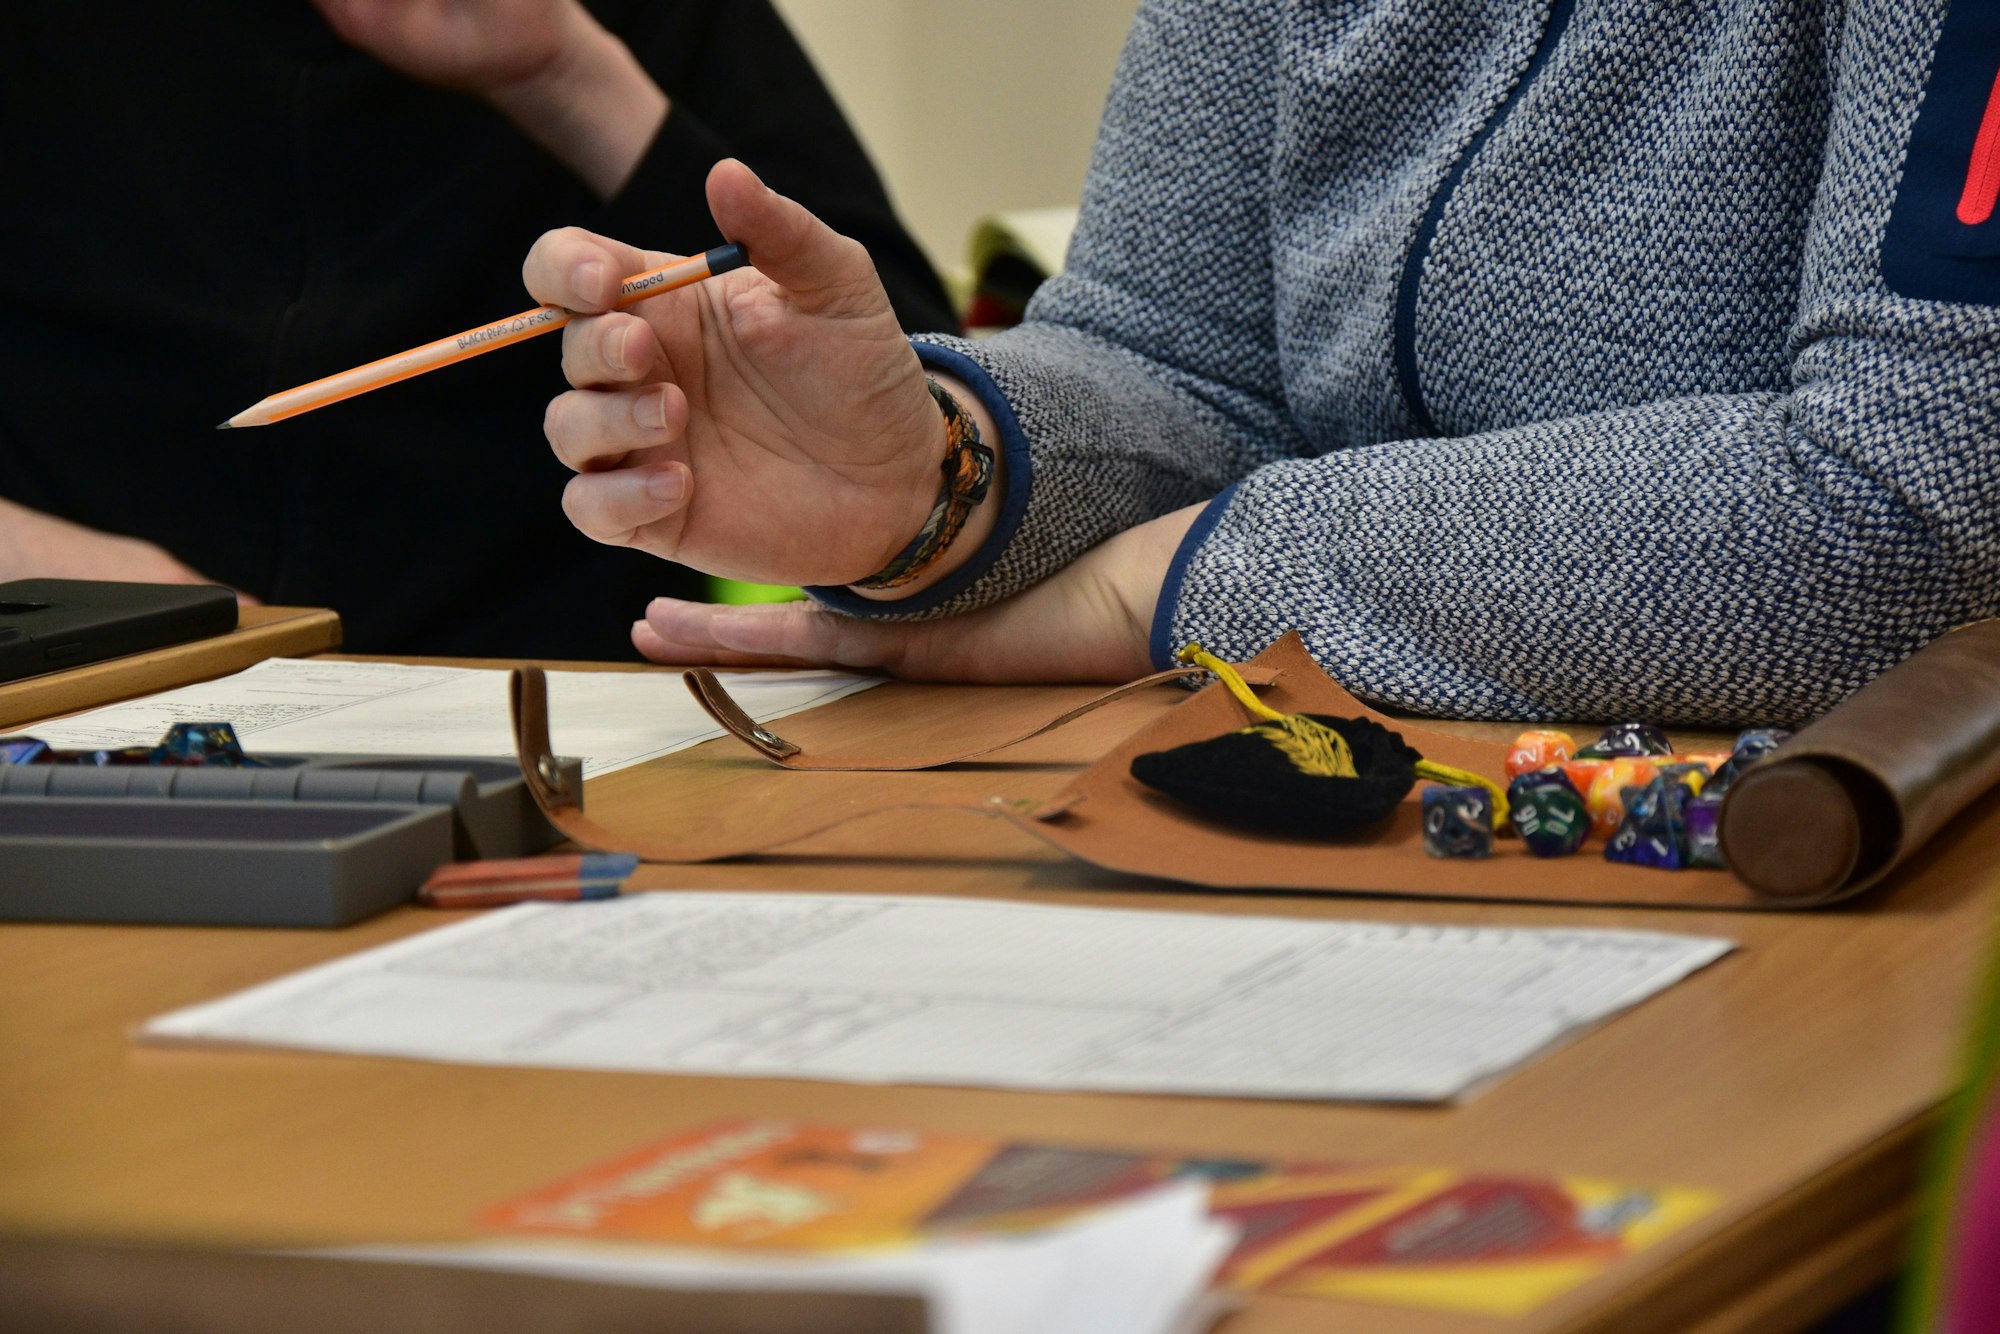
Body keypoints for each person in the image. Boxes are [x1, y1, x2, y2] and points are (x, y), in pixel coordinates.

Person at [527, 0, 1999, 723]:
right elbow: (1176, 356)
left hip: (1844, 891)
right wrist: (938, 473)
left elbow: (1909, 495)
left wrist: (1173, 582)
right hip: (1355, 819)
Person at [0, 0, 953, 658]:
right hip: (77, 700)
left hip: (553, 719)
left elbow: (908, 412)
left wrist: (566, 73)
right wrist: (46, 579)